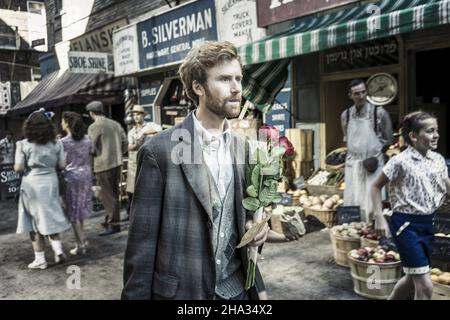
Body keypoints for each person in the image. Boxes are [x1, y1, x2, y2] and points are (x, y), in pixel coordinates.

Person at [122, 41, 269, 300]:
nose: (236, 88)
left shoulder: (244, 150)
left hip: (236, 293)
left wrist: (257, 230)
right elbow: (141, 247)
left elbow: (240, 220)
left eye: (238, 78)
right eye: (224, 79)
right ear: (198, 87)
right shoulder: (160, 151)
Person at [372, 111, 450, 300]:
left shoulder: (438, 159)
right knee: (425, 286)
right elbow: (375, 186)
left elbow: (446, 185)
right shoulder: (400, 161)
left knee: (411, 278)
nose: (436, 135)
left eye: (436, 130)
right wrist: (379, 217)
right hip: (406, 226)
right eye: (430, 131)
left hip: (428, 224)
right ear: (413, 136)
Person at [14, 109, 71, 269]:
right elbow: (62, 165)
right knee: (50, 216)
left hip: (31, 184)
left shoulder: (23, 144)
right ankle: (57, 249)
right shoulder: (57, 143)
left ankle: (40, 260)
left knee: (32, 222)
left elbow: (18, 168)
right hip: (51, 182)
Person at [341, 79, 393, 222]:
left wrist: (373, 156)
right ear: (350, 95)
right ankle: (354, 232)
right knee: (354, 199)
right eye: (357, 93)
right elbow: (347, 138)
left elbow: (389, 139)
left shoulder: (379, 113)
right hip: (353, 163)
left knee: (372, 201)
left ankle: (375, 232)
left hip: (373, 164)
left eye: (364, 92)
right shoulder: (346, 115)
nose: (361, 96)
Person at [86, 101, 127, 236]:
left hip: (103, 164)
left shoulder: (94, 127)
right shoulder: (115, 124)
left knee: (108, 196)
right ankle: (111, 219)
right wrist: (118, 153)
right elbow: (125, 142)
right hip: (117, 162)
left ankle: (112, 223)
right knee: (114, 193)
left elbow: (90, 147)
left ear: (92, 113)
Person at [61, 111, 93, 254]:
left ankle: (80, 244)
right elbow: (93, 153)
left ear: (67, 123)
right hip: (86, 174)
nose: (61, 123)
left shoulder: (63, 143)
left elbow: (62, 163)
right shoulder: (87, 140)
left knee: (73, 211)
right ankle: (82, 239)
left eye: (62, 121)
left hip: (71, 176)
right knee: (81, 208)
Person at [123, 105, 162, 222]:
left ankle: (149, 210)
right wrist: (135, 144)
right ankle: (130, 212)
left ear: (143, 116)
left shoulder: (149, 125)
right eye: (134, 115)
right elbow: (129, 146)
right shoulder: (131, 132)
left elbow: (159, 129)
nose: (136, 117)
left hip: (148, 159)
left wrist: (144, 134)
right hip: (134, 160)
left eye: (138, 114)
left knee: (147, 185)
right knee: (132, 188)